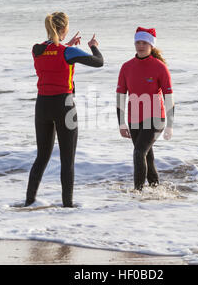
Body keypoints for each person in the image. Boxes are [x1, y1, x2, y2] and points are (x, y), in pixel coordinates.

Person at [25, 12, 103, 207]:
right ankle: (67, 206)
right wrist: (93, 46)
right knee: (67, 160)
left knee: (42, 157)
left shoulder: (37, 49)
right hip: (64, 106)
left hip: (42, 105)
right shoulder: (68, 52)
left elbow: (53, 51)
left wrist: (67, 43)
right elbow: (99, 62)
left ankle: (29, 202)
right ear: (63, 29)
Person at [116, 27, 174, 191]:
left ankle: (137, 192)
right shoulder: (127, 67)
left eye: (144, 42)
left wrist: (169, 124)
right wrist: (121, 123)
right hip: (134, 118)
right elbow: (120, 96)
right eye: (138, 42)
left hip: (156, 118)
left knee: (139, 152)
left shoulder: (159, 67)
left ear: (151, 45)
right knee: (147, 157)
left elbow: (168, 97)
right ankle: (156, 190)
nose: (140, 46)